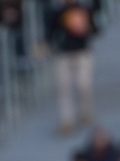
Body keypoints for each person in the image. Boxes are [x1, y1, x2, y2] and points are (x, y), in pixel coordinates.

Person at [47, 0, 98, 137]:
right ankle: (66, 120)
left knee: (84, 85)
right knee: (64, 89)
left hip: (82, 52)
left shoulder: (84, 10)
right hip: (63, 54)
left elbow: (94, 30)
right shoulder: (57, 13)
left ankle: (84, 112)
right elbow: (50, 33)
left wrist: (86, 26)